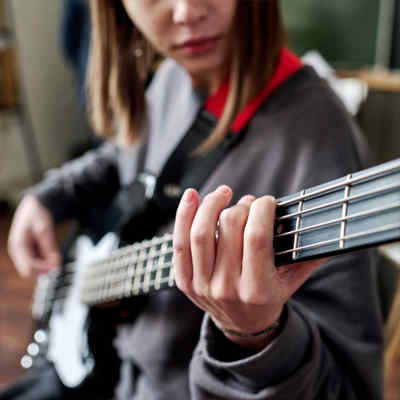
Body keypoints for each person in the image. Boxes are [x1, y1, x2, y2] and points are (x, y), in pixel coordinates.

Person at [5, 0, 383, 399]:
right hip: (107, 367)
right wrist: (45, 197)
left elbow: (349, 391)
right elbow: (122, 153)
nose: (186, 11)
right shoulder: (171, 75)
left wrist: (254, 339)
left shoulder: (322, 135)